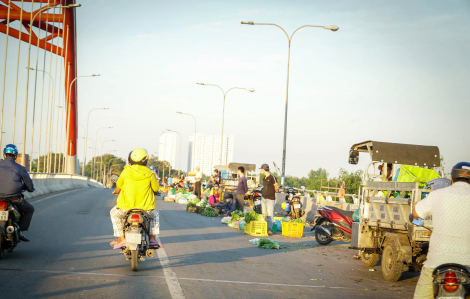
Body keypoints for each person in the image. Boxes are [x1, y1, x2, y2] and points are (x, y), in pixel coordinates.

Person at [411, 162, 470, 299]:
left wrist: (414, 218)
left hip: (437, 262)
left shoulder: (437, 195)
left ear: (452, 178)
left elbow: (416, 213)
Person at [109, 148, 160, 248]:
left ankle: (121, 238)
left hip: (125, 208)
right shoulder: (150, 173)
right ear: (145, 160)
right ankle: (152, 238)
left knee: (113, 214)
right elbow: (156, 188)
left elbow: (118, 187)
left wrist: (116, 191)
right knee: (155, 214)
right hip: (146, 208)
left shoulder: (126, 171)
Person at [0, 144, 35, 242]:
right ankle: (20, 231)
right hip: (14, 198)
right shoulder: (20, 168)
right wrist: (30, 189)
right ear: (15, 156)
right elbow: (29, 185)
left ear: (4, 154)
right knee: (29, 209)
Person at [260, 163, 278, 236]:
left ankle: (269, 229)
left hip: (270, 199)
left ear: (264, 169)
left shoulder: (272, 177)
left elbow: (276, 187)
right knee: (264, 214)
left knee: (270, 214)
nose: (261, 171)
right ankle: (264, 228)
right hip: (263, 198)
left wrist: (271, 194)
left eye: (261, 169)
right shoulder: (264, 178)